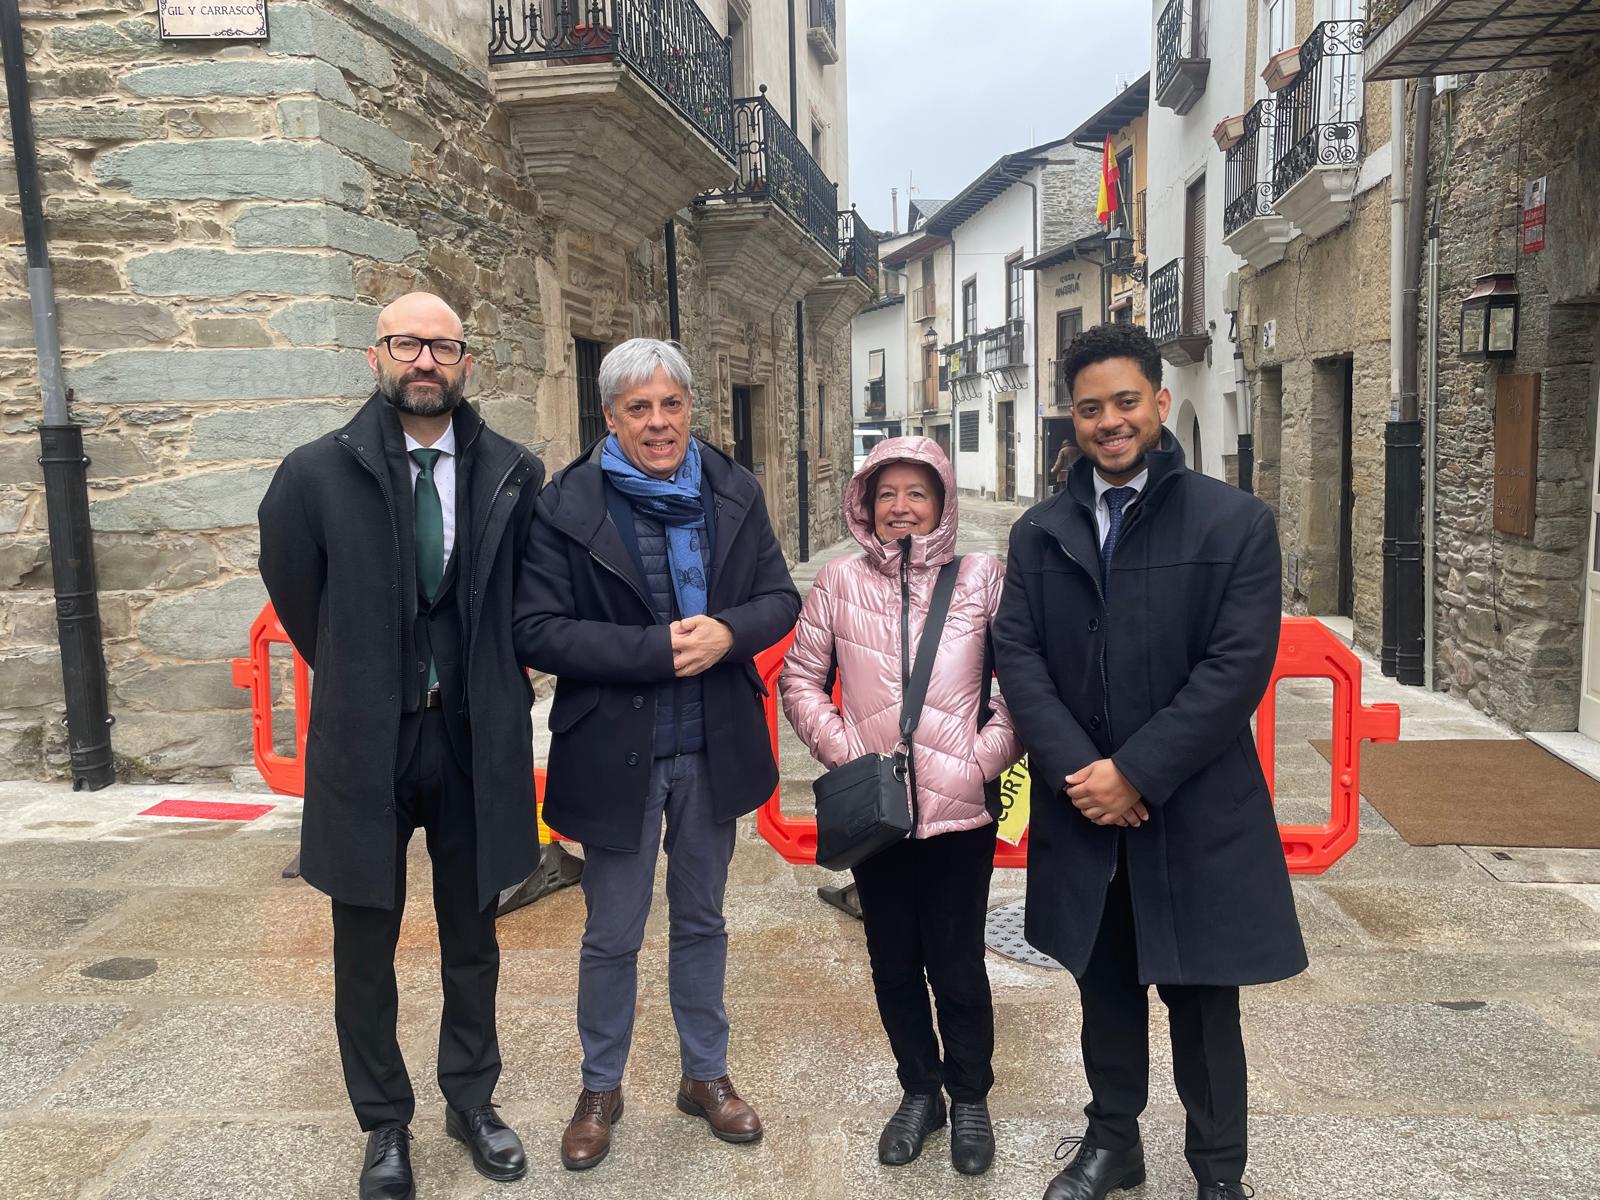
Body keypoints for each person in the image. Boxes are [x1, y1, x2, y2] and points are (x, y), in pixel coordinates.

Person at [992, 323, 1305, 1200]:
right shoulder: (1040, 531)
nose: (1109, 422)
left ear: (1159, 404)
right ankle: (1112, 1143)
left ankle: (1218, 1172)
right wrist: (1083, 773)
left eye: (1126, 402)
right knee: (1106, 987)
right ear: (1073, 417)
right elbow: (1018, 658)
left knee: (1205, 1002)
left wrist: (1136, 772)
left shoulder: (1236, 522)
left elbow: (1235, 667)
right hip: (1086, 805)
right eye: (1090, 408)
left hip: (1195, 805)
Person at [258, 292, 543, 1200]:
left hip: (471, 740)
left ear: (465, 360)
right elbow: (300, 596)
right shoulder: (313, 474)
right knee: (363, 942)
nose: (426, 361)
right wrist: (367, 678)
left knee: (474, 934)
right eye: (408, 343)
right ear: (376, 354)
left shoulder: (512, 471)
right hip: (366, 746)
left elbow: (527, 601)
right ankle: (384, 1122)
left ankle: (471, 1100)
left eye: (444, 346)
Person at [513, 338, 800, 1172]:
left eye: (671, 404)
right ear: (610, 417)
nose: (659, 422)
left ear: (690, 407)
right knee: (612, 930)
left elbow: (780, 598)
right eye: (638, 408)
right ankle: (600, 1087)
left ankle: (704, 1076)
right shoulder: (566, 503)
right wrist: (652, 649)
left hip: (712, 744)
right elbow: (535, 629)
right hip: (615, 749)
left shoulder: (733, 490)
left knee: (704, 917)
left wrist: (729, 631)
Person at [780, 437, 1022, 1177]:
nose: (901, 507)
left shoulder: (983, 579)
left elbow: (1021, 687)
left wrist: (978, 760)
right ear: (866, 504)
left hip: (959, 813)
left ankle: (970, 1093)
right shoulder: (839, 583)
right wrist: (847, 752)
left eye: (917, 492)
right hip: (875, 813)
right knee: (892, 962)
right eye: (887, 494)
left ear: (943, 501)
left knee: (955, 962)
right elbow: (800, 678)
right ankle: (920, 1089)